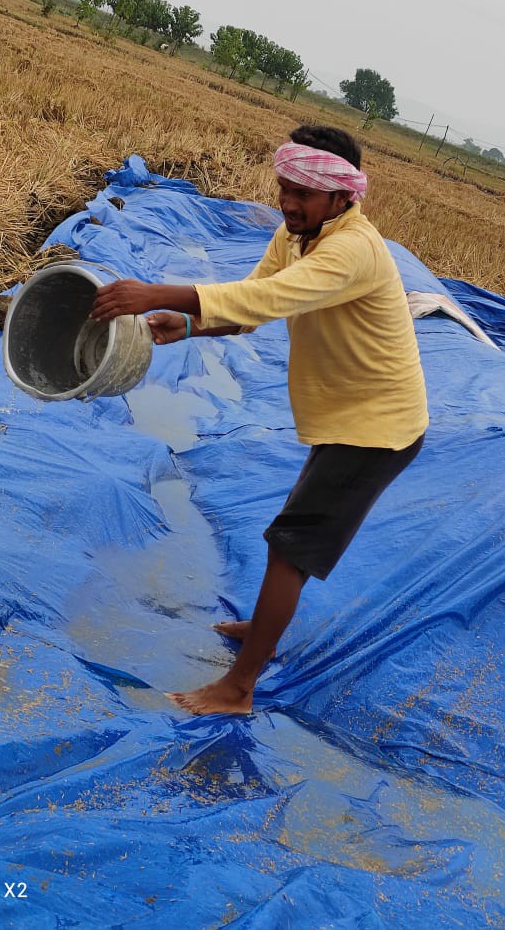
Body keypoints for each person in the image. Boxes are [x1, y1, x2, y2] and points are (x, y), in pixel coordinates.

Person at [91, 125, 428, 715]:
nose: (290, 203)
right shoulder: (296, 236)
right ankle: (263, 630)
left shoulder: (353, 251)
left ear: (343, 196)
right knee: (290, 536)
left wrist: (157, 293)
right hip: (346, 417)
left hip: (378, 428)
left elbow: (271, 301)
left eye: (305, 194)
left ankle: (238, 687)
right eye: (284, 188)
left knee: (288, 549)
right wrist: (190, 323)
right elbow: (251, 302)